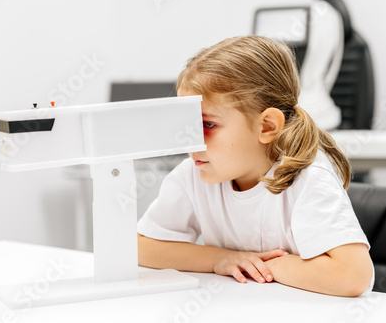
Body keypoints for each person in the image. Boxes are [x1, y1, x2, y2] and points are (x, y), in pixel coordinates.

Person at [137, 35, 373, 297]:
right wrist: (221, 259)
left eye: (207, 124)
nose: (191, 141)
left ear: (267, 126)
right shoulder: (192, 174)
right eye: (187, 125)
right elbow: (140, 247)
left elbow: (353, 275)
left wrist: (267, 265)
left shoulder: (308, 178)